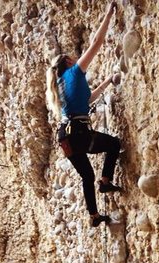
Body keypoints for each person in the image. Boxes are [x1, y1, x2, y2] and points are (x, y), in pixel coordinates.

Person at [46, 1, 122, 228]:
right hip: (78, 132)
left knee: (86, 177)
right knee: (114, 144)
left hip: (65, 137)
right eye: (72, 57)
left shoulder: (59, 85)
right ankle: (106, 181)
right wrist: (108, 14)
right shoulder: (74, 72)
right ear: (68, 62)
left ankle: (94, 215)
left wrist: (108, 81)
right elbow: (96, 43)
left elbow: (88, 99)